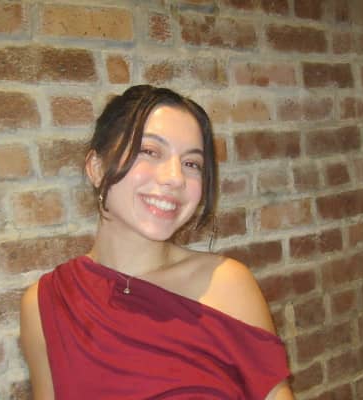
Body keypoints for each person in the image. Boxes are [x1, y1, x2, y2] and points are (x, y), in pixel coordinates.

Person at [20, 85, 293, 400]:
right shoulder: (46, 303)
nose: (176, 178)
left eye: (191, 164)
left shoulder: (226, 285)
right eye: (150, 151)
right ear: (96, 168)